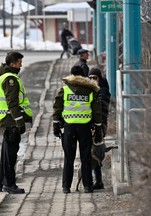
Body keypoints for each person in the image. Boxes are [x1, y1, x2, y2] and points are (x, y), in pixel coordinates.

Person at [52, 65, 103, 194]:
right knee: (85, 157)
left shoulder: (65, 90)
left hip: (69, 127)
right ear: (83, 76)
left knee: (69, 157)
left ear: (71, 75)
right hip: (85, 127)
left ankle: (66, 187)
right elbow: (97, 112)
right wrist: (98, 129)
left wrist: (56, 125)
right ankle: (87, 186)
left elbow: (57, 108)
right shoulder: (90, 90)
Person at [0, 51, 33, 194]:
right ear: (12, 63)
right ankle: (9, 184)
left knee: (6, 155)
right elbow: (12, 103)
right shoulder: (10, 79)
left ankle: (2, 182)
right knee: (10, 156)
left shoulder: (4, 75)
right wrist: (20, 122)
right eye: (19, 62)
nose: (21, 65)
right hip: (11, 121)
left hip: (6, 120)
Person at [88, 67, 111, 190]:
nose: (92, 80)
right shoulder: (93, 90)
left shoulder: (102, 91)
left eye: (94, 78)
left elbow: (100, 108)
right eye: (90, 78)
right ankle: (97, 179)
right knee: (93, 151)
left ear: (99, 78)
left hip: (100, 126)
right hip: (94, 125)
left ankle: (98, 180)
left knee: (95, 152)